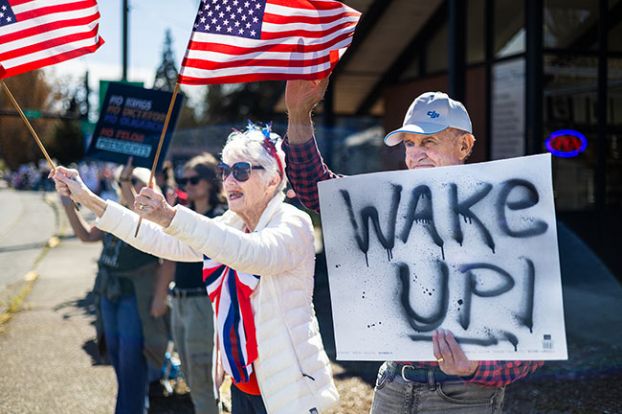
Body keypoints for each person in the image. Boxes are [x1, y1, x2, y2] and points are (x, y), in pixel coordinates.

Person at [282, 78, 544, 413]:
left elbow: (534, 339)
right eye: (409, 144)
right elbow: (313, 185)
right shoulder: (388, 205)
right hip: (393, 385)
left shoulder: (505, 214)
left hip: (465, 396)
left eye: (429, 142)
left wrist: (476, 368)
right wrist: (298, 114)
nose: (416, 154)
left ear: (465, 146)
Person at [51, 124, 339, 414]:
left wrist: (170, 215)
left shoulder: (292, 223)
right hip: (245, 387)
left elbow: (251, 254)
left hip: (290, 390)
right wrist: (87, 197)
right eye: (225, 170)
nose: (229, 180)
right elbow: (159, 241)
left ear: (272, 180)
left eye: (240, 171)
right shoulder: (232, 223)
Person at [58, 165, 170, 414]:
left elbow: (169, 259)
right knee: (117, 354)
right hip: (109, 290)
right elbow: (87, 236)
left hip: (135, 294)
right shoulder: (115, 213)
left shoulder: (153, 218)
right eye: (128, 182)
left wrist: (161, 295)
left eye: (137, 181)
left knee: (132, 359)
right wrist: (67, 204)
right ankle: (134, 406)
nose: (130, 185)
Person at [167, 153, 226, 414]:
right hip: (179, 301)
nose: (187, 186)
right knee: (193, 378)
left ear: (211, 182)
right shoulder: (186, 214)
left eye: (193, 180)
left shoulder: (222, 216)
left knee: (203, 378)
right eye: (183, 180)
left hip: (203, 303)